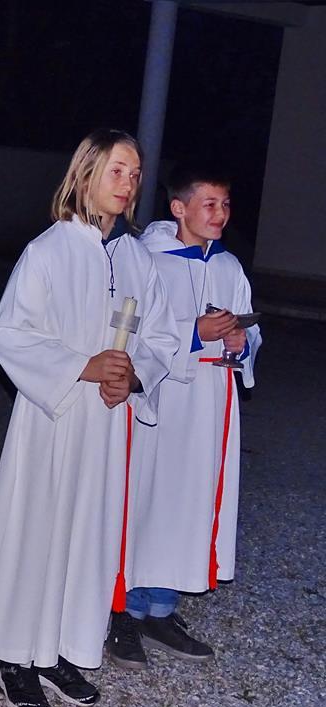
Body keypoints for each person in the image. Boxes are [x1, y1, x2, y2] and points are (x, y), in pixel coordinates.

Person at [0, 129, 178, 707]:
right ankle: (16, 656)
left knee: (88, 533)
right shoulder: (48, 250)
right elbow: (9, 334)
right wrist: (83, 367)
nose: (128, 183)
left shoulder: (137, 258)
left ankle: (60, 647)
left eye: (135, 174)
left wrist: (133, 376)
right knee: (38, 528)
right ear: (84, 175)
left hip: (107, 424)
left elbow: (161, 337)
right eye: (116, 171)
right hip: (54, 419)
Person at [107, 163, 261, 668]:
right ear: (179, 208)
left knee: (189, 500)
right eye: (209, 204)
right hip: (162, 399)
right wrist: (194, 332)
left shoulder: (229, 267)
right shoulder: (146, 260)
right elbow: (129, 329)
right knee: (147, 497)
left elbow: (250, 332)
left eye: (226, 204)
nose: (221, 214)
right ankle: (123, 611)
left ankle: (160, 608)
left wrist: (240, 341)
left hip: (210, 401)